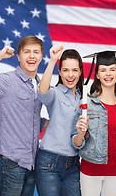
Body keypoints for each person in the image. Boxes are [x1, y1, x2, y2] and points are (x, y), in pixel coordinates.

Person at [0, 35, 45, 196]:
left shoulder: (39, 85)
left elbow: (29, 120)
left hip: (31, 162)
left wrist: (54, 123)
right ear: (19, 57)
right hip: (10, 160)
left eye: (36, 52)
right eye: (27, 52)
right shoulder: (8, 81)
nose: (32, 56)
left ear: (41, 56)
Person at [72, 50, 116, 196]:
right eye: (103, 70)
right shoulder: (86, 105)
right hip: (91, 170)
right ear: (97, 75)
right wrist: (80, 134)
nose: (108, 74)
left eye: (112, 70)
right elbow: (76, 143)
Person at [35, 44, 84, 196]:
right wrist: (52, 60)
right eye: (65, 70)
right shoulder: (55, 93)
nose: (70, 75)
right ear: (60, 72)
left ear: (80, 72)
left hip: (74, 164)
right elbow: (42, 91)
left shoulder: (85, 98)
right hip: (49, 162)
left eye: (75, 70)